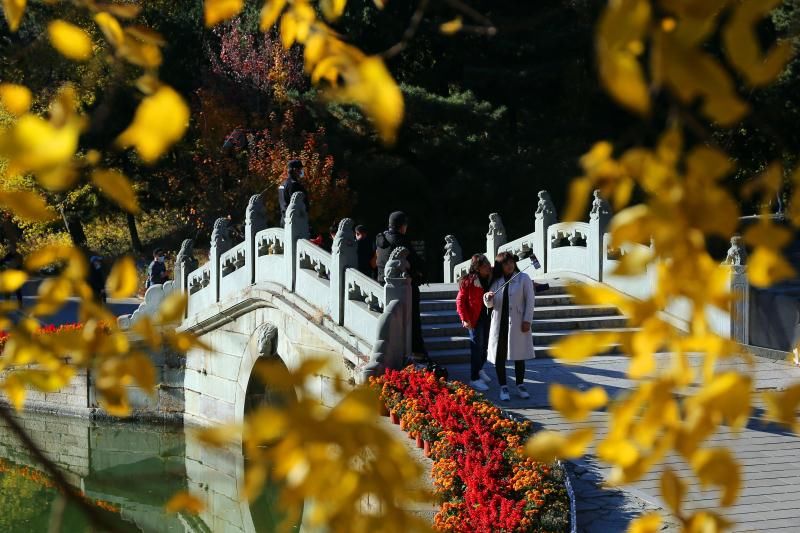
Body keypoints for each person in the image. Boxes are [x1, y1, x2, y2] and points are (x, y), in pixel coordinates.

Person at [483, 252, 536, 401]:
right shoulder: (496, 281)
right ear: (500, 266)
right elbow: (490, 304)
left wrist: (527, 320)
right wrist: (487, 299)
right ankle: (503, 387)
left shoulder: (523, 278)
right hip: (500, 323)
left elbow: (530, 301)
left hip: (518, 322)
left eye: (511, 262)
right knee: (500, 356)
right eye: (506, 263)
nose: (510, 265)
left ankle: (520, 385)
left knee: (519, 355)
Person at [375, 211, 427, 358]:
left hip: (382, 281)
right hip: (401, 284)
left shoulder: (380, 238)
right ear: (402, 226)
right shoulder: (400, 240)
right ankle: (417, 349)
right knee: (413, 317)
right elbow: (415, 261)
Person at [457, 254, 494, 391]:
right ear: (477, 268)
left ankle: (479, 369)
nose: (488, 267)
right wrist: (464, 319)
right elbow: (460, 301)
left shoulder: (491, 276)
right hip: (474, 318)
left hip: (488, 316)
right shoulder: (468, 281)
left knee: (485, 345)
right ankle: (474, 378)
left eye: (488, 264)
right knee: (476, 347)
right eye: (485, 266)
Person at [278, 159, 309, 227]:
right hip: (294, 222)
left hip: (283, 220)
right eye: (300, 169)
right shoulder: (295, 185)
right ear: (295, 170)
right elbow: (300, 203)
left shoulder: (282, 184)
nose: (301, 172)